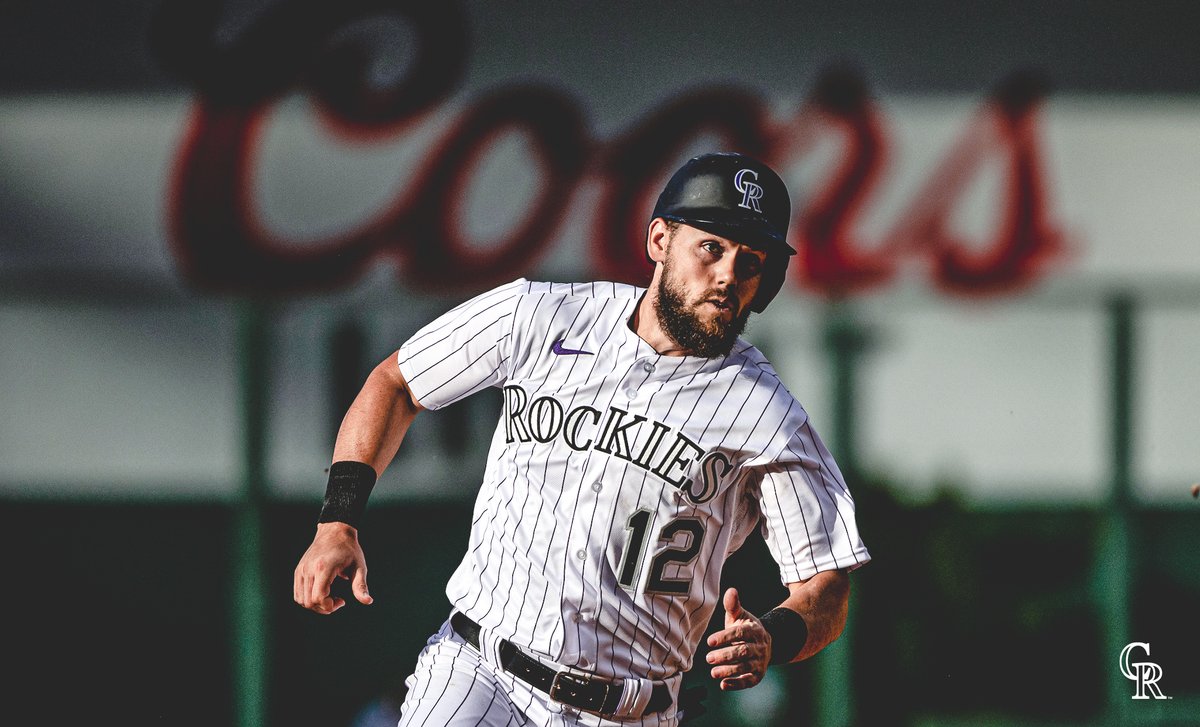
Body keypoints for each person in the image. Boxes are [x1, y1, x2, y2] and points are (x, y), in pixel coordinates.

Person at [293, 152, 871, 726]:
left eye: (751, 262)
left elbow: (825, 583)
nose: (727, 275)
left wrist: (773, 635)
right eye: (711, 248)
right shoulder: (542, 316)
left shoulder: (767, 413)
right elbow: (398, 382)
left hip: (629, 710)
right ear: (660, 240)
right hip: (480, 674)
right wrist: (337, 521)